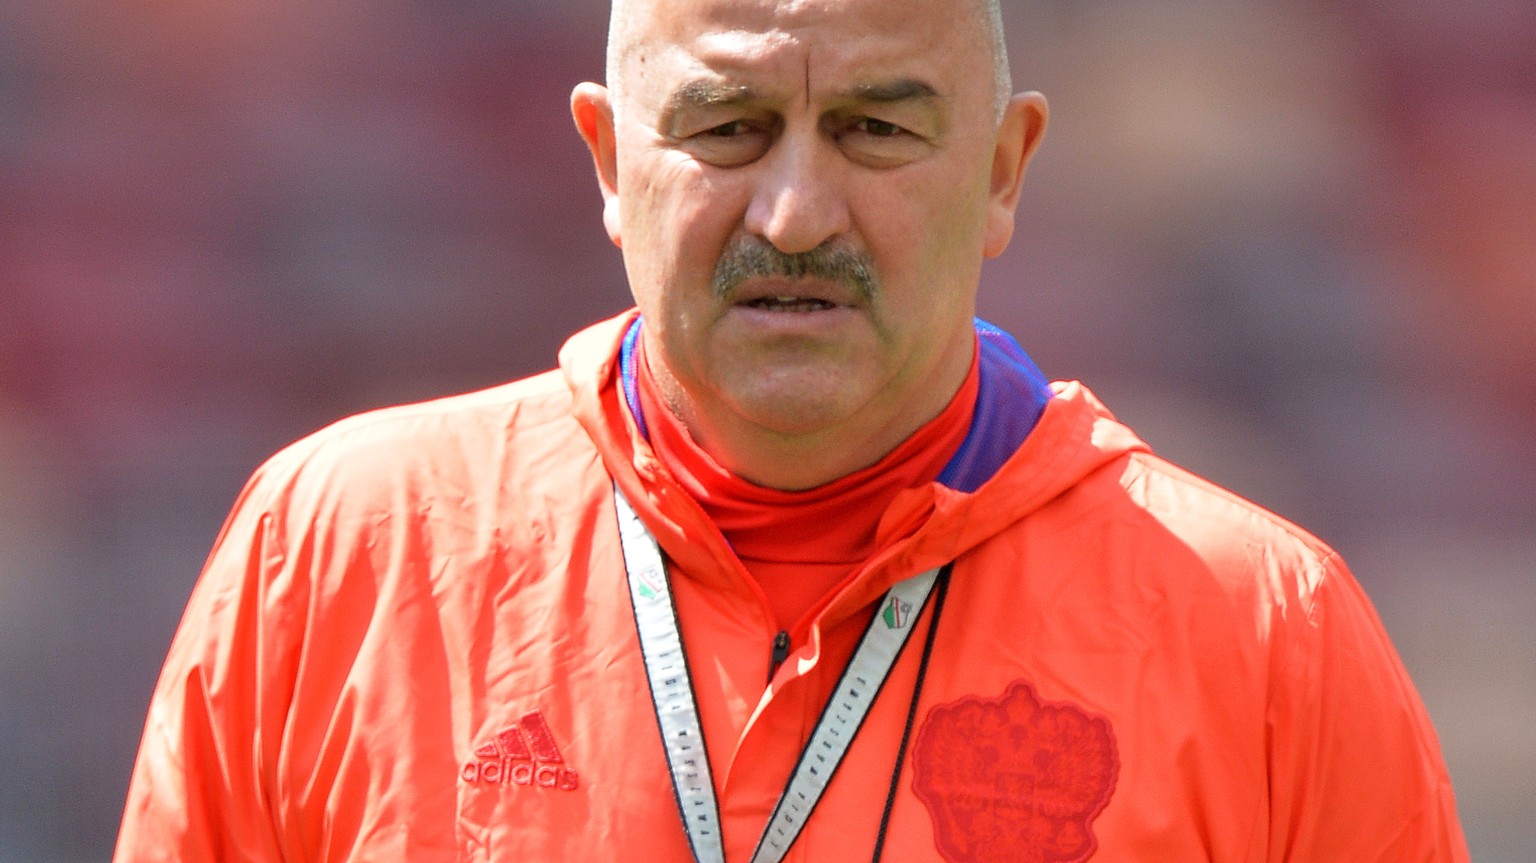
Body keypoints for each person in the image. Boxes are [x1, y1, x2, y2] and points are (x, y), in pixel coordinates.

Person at [114, 0, 1469, 860]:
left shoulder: (1264, 631)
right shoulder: (342, 550)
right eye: (729, 126)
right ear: (605, 161)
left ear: (1002, 172)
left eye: (877, 128)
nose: (796, 214)